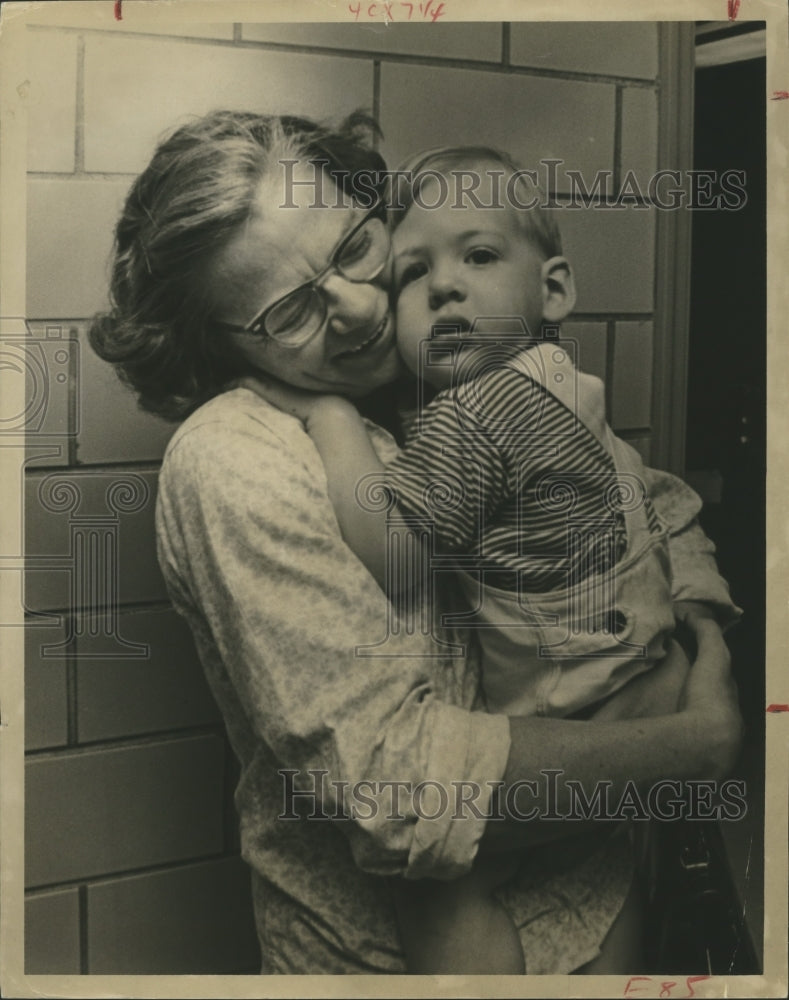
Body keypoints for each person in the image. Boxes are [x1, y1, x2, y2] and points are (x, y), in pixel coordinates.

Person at [89, 109, 744, 975]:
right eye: (289, 311)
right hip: (388, 958)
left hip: (593, 896)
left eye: (357, 249)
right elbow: (399, 794)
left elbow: (644, 493)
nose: (360, 310)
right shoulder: (234, 460)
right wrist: (688, 743)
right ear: (219, 347)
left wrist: (696, 634)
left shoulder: (447, 371)